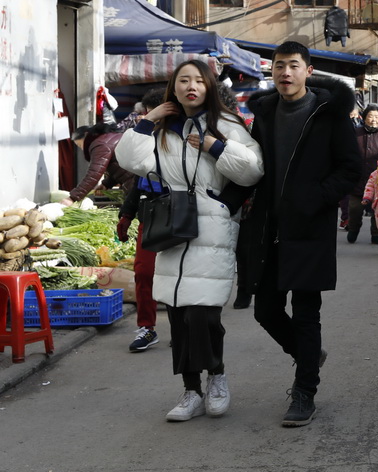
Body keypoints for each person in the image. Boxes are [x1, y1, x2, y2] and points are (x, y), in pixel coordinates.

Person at [114, 58, 264, 421]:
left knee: (204, 315)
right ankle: (191, 389)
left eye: (198, 80)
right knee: (179, 317)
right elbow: (132, 161)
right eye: (183, 80)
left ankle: (217, 376)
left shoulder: (227, 123)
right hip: (172, 230)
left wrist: (215, 146)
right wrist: (148, 121)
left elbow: (253, 170)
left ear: (209, 86)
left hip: (211, 229)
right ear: (174, 87)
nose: (190, 86)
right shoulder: (162, 126)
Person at [242, 41, 360, 428]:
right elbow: (254, 166)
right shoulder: (264, 113)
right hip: (269, 229)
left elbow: (350, 169)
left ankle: (304, 391)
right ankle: (307, 354)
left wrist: (315, 199)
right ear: (272, 71)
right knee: (265, 309)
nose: (285, 73)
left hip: (310, 229)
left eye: (293, 66)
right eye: (279, 66)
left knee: (307, 314)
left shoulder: (329, 113)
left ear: (308, 71)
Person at [115, 88, 167, 352]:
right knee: (144, 272)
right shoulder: (143, 141)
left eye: (152, 114)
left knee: (178, 273)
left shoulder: (186, 138)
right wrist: (126, 214)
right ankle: (147, 328)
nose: (147, 118)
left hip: (182, 215)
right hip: (150, 216)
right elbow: (139, 182)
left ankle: (184, 326)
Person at [346, 105, 378, 245]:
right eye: (371, 116)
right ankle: (353, 228)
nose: (373, 120)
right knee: (354, 208)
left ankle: (376, 233)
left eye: (377, 117)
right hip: (357, 179)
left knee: (377, 209)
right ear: (364, 118)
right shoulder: (355, 133)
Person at [62, 122, 128, 205]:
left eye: (79, 145)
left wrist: (72, 198)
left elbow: (93, 174)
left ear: (86, 135)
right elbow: (119, 168)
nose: (82, 149)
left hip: (136, 182)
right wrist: (106, 184)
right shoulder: (109, 137)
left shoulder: (100, 144)